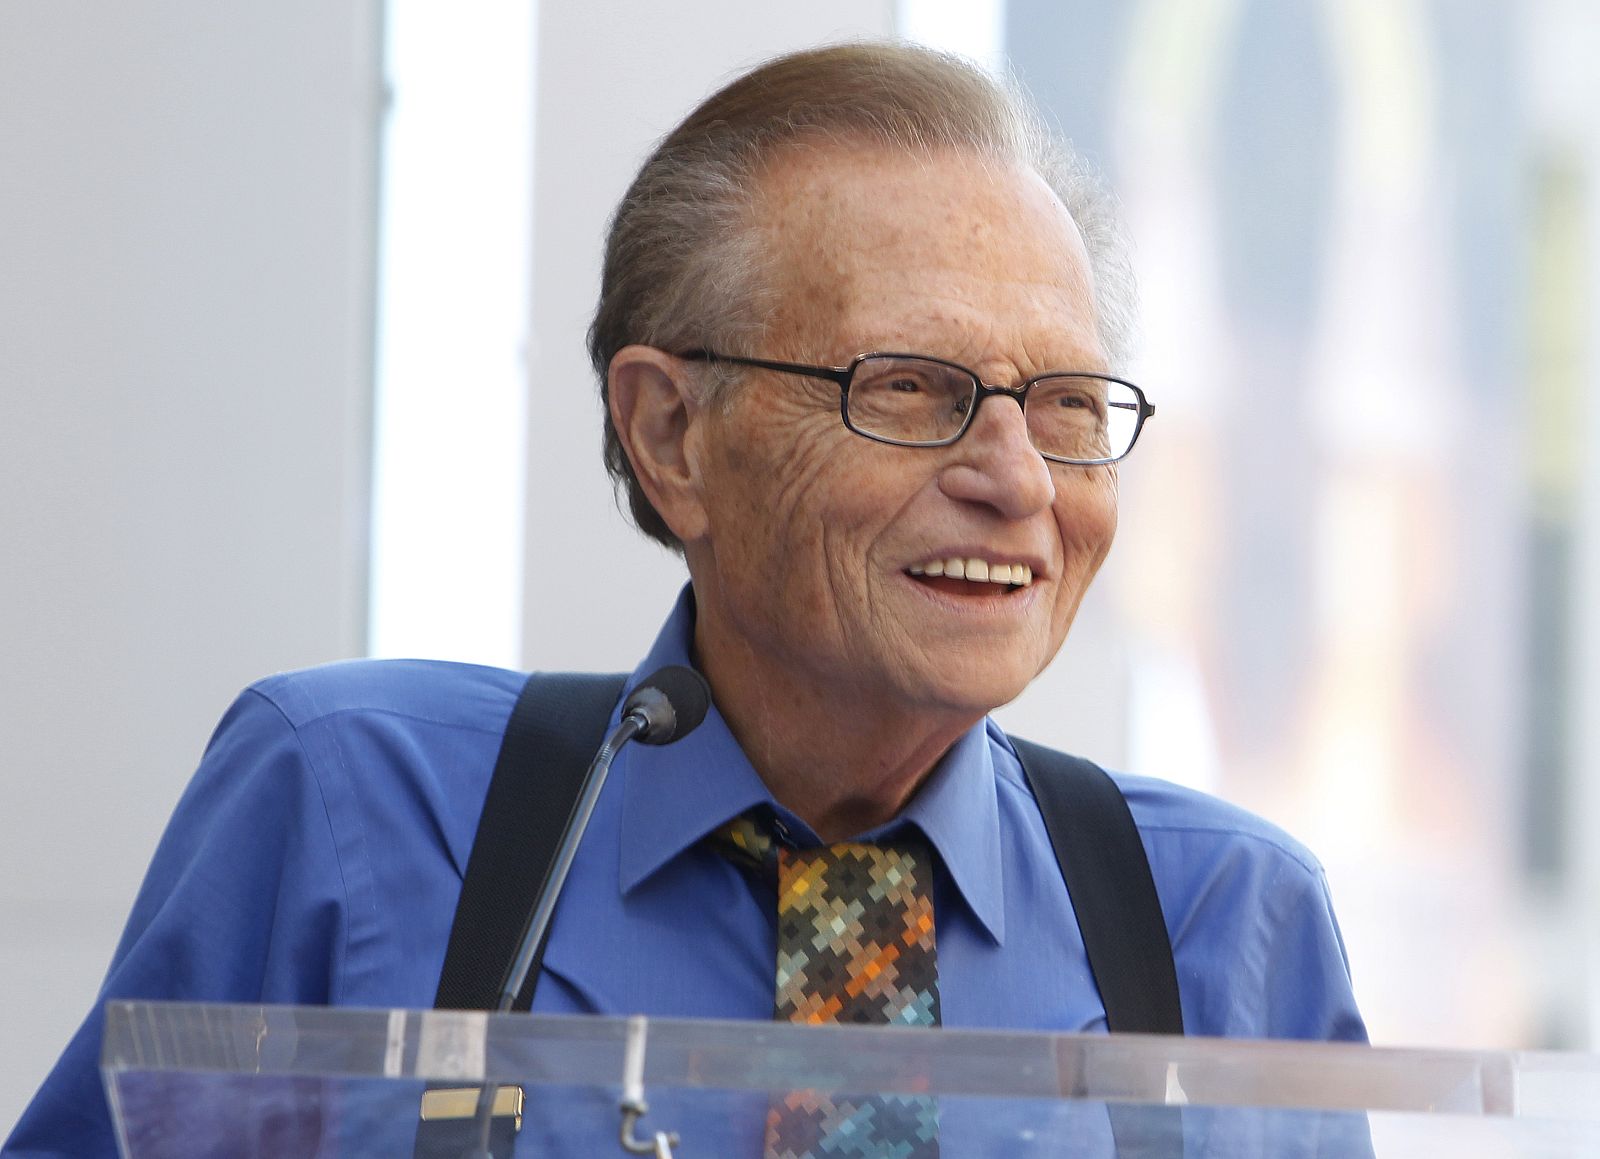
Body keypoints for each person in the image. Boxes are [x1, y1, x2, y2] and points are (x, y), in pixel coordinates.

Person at [6, 40, 1365, 1157]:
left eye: (1065, 405)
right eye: (909, 389)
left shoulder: (1226, 921)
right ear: (671, 435)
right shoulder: (356, 807)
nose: (1016, 480)